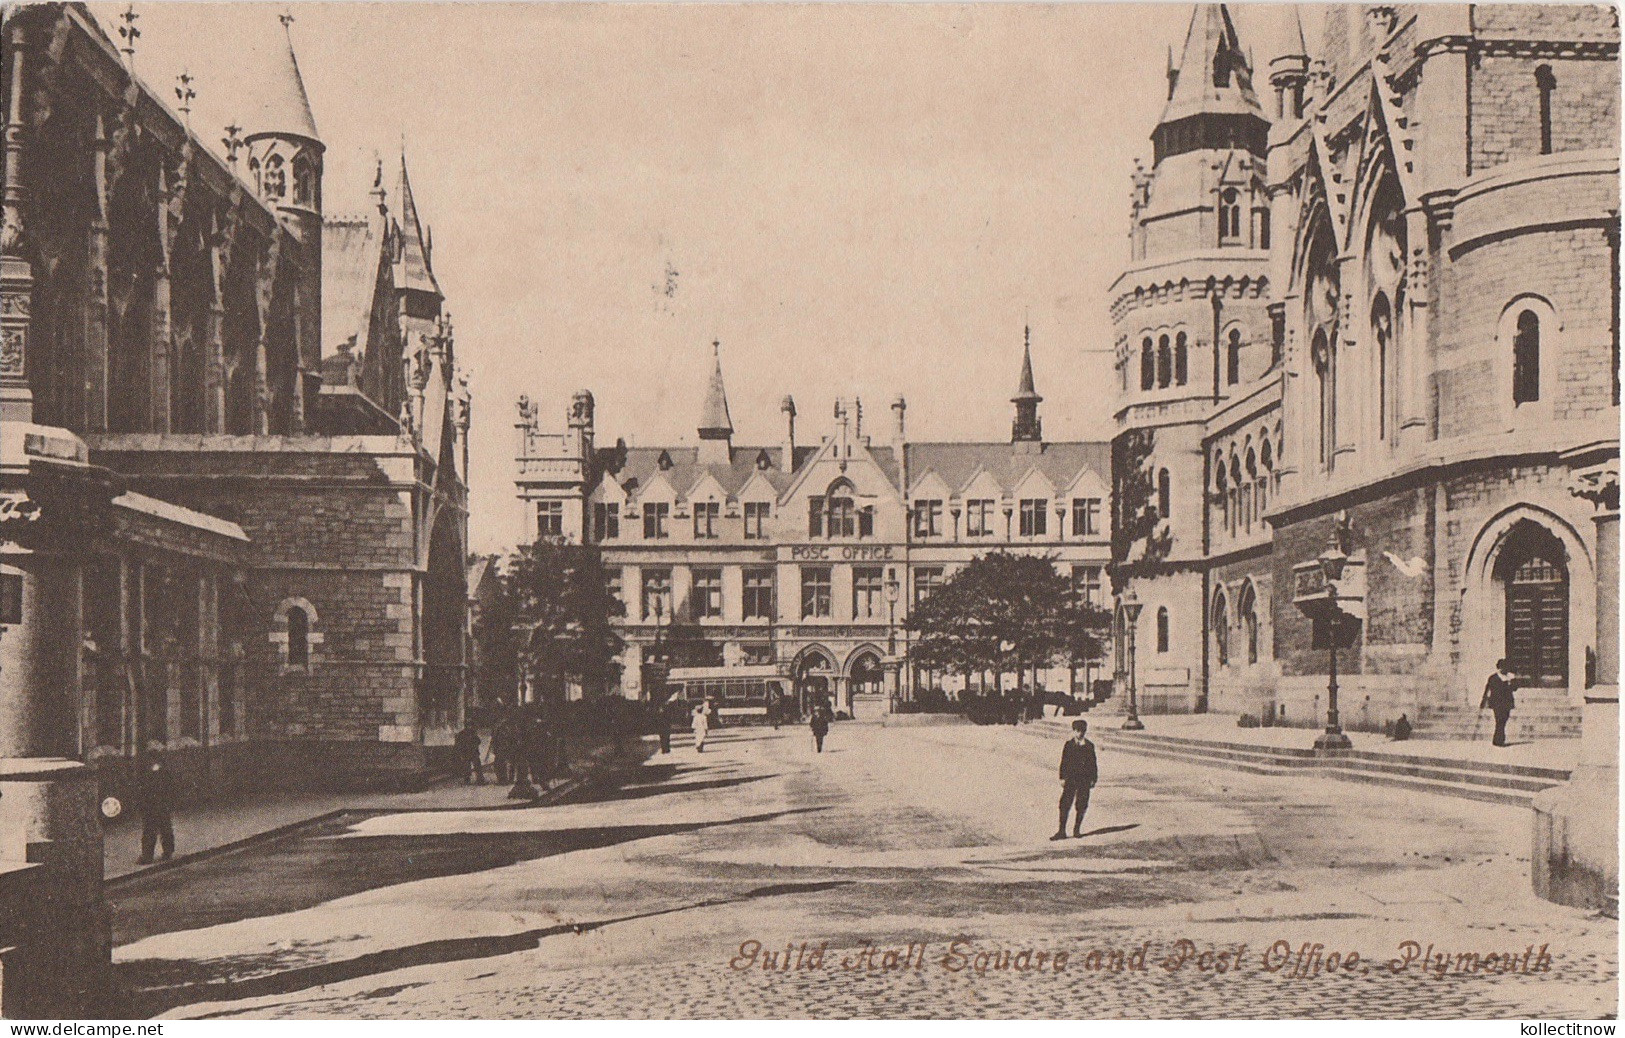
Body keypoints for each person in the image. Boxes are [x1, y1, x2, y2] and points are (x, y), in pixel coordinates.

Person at [1052, 719, 1098, 841]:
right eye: (1077, 731)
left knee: (1082, 804)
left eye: (1082, 731)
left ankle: (1076, 830)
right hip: (1071, 778)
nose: (1080, 734)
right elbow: (1064, 762)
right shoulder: (1068, 745)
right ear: (1074, 731)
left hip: (1084, 779)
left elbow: (1093, 764)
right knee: (1064, 804)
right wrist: (1062, 777)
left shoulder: (1089, 746)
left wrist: (1093, 779)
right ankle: (1061, 831)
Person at [136, 759, 176, 864]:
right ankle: (167, 851)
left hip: (153, 801)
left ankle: (148, 855)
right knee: (164, 825)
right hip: (160, 800)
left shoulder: (147, 764)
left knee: (151, 827)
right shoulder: (162, 763)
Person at [1481, 658, 1521, 748]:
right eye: (1501, 667)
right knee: (1499, 720)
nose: (1503, 669)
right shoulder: (1493, 678)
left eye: (1505, 667)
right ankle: (1498, 740)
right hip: (1497, 702)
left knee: (1504, 719)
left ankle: (1498, 739)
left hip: (1507, 702)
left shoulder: (1509, 677)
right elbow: (1489, 689)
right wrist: (1484, 700)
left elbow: (1515, 688)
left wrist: (1512, 681)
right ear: (1498, 668)